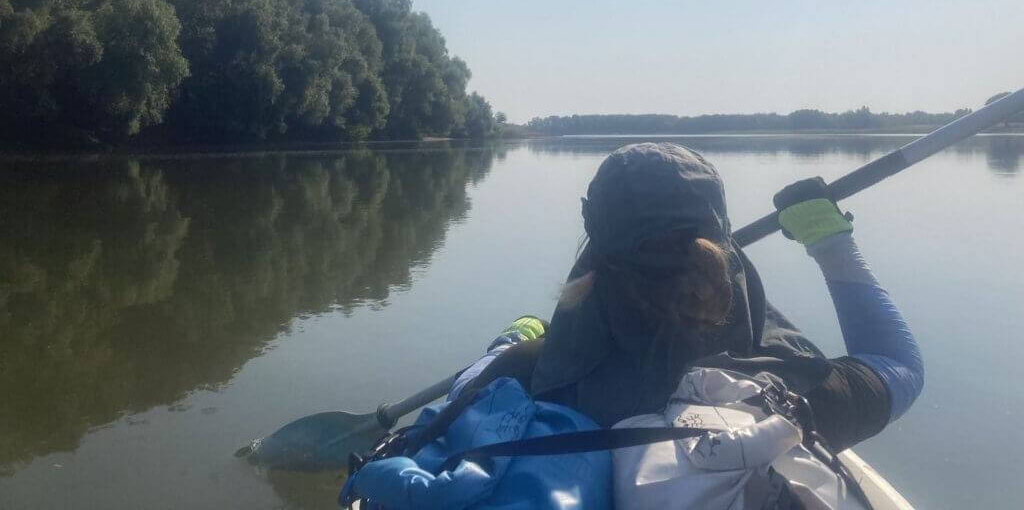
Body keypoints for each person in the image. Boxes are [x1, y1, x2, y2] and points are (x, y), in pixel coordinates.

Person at [344, 142, 923, 508]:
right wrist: (829, 240)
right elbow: (900, 366)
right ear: (719, 252)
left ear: (593, 261)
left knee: (515, 343)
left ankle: (522, 327)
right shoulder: (794, 406)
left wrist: (519, 344)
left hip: (551, 367)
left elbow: (484, 380)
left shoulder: (542, 404)